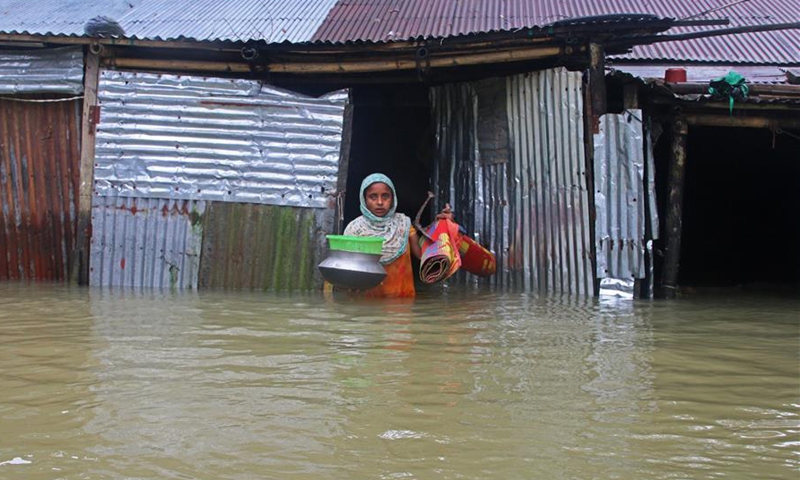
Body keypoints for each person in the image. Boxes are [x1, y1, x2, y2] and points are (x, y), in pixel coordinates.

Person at [344, 173, 452, 299]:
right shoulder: (355, 229)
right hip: (367, 304)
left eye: (385, 196)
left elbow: (424, 256)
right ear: (364, 199)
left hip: (401, 301)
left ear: (393, 198)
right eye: (373, 197)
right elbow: (346, 269)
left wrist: (444, 225)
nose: (380, 202)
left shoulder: (403, 224)